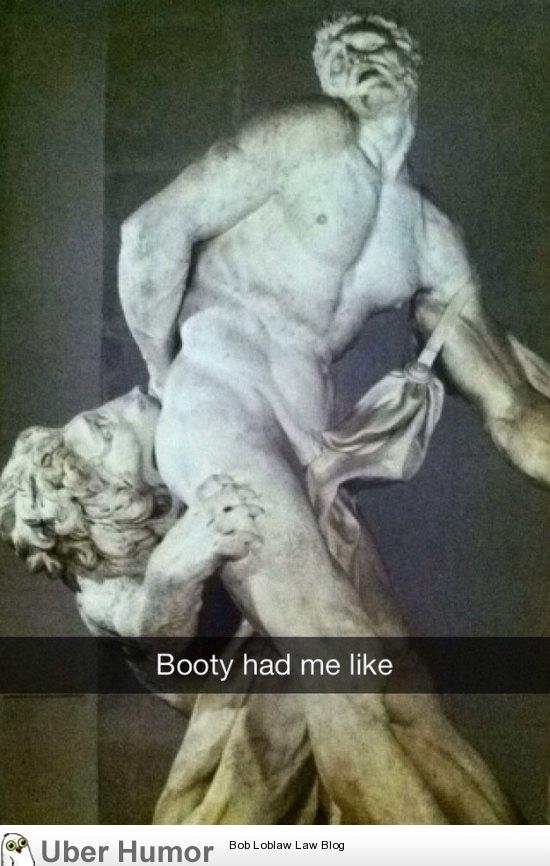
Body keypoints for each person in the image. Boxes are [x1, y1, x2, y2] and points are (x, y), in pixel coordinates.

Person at [0, 389, 518, 823]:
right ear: (109, 498)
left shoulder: (188, 440)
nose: (127, 398)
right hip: (245, 713)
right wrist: (170, 575)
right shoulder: (98, 584)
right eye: (104, 428)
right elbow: (149, 630)